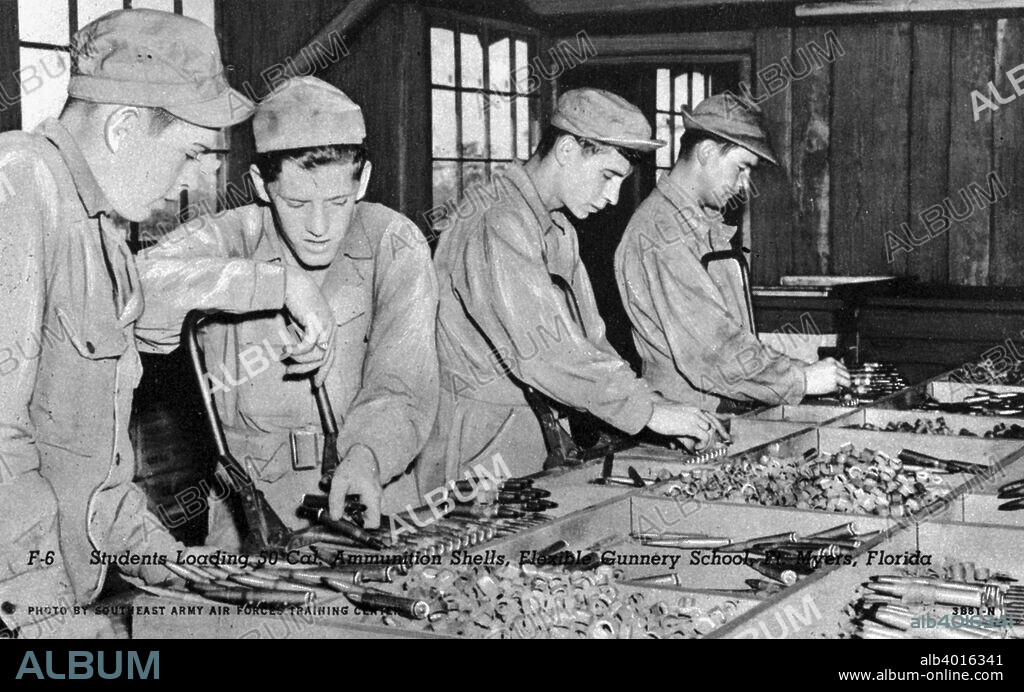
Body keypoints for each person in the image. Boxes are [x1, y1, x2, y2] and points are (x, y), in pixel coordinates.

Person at [0, 9, 253, 633]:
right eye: (192, 152)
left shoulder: (105, 235)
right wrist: (46, 620)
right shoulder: (19, 187)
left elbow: (91, 476)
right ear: (123, 127)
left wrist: (181, 569)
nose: (204, 176)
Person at [136, 77, 438, 547]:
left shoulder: (393, 243)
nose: (319, 227)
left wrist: (367, 457)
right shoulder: (233, 236)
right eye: (296, 203)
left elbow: (402, 383)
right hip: (253, 516)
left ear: (364, 181)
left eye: (337, 202)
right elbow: (135, 288)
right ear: (261, 185)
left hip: (374, 495)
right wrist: (277, 284)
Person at [421, 88, 727, 494]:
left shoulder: (558, 228)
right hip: (481, 445)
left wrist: (657, 407)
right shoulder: (496, 220)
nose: (613, 197)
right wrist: (647, 411)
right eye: (607, 176)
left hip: (535, 432)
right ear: (567, 149)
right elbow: (544, 352)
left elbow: (590, 343)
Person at [615, 95, 850, 412]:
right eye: (741, 168)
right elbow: (713, 351)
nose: (743, 185)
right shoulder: (662, 233)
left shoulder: (699, 224)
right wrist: (802, 379)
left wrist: (795, 368)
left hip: (716, 408)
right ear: (707, 152)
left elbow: (732, 335)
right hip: (688, 419)